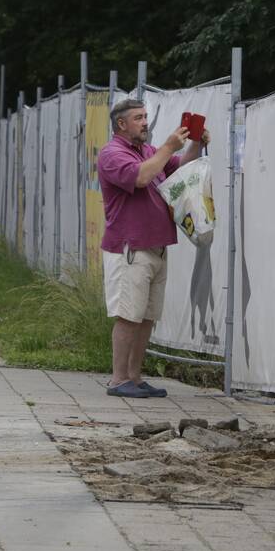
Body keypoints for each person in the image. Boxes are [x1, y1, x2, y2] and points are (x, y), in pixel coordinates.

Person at [98, 99, 208, 398]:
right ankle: (118, 379)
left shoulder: (147, 150)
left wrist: (195, 142)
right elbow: (142, 177)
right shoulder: (112, 154)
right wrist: (169, 147)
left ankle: (134, 377)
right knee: (128, 315)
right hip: (130, 248)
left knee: (146, 316)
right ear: (122, 124)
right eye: (138, 118)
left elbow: (180, 167)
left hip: (156, 246)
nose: (145, 122)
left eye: (146, 116)